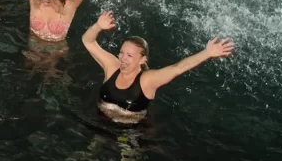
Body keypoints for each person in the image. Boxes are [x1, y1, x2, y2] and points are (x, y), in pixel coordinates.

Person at [82, 10, 236, 124]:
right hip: (99, 121)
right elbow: (88, 41)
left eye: (129, 56)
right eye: (121, 53)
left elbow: (177, 68)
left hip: (129, 132)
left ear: (142, 60)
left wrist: (207, 53)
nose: (122, 58)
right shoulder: (112, 66)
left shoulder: (148, 80)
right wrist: (97, 26)